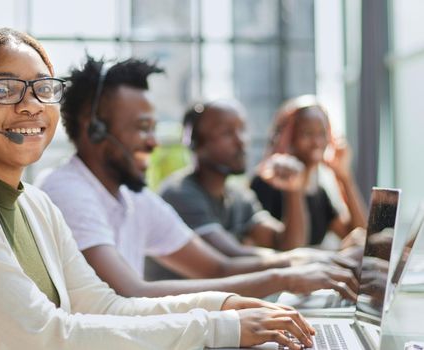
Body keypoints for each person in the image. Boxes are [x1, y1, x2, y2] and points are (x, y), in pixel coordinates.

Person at [0, 28, 316, 350]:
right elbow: (50, 335)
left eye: (43, 88)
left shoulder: (36, 205)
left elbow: (105, 306)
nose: (30, 104)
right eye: (3, 89)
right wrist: (218, 326)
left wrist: (219, 305)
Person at [38, 56, 358, 303]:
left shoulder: (132, 196)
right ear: (94, 129)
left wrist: (324, 263)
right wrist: (287, 278)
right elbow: (129, 294)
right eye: (142, 128)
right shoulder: (69, 191)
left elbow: (217, 267)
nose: (154, 142)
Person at [160, 100, 309, 253]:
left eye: (242, 130)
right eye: (226, 133)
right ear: (195, 143)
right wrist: (304, 260)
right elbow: (228, 260)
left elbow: (286, 245)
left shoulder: (238, 197)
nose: (241, 141)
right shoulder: (180, 194)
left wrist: (293, 189)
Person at [250, 95, 367, 247]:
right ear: (287, 138)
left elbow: (360, 235)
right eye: (307, 134)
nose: (317, 142)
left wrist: (345, 177)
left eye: (322, 134)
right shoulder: (266, 185)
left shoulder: (318, 192)